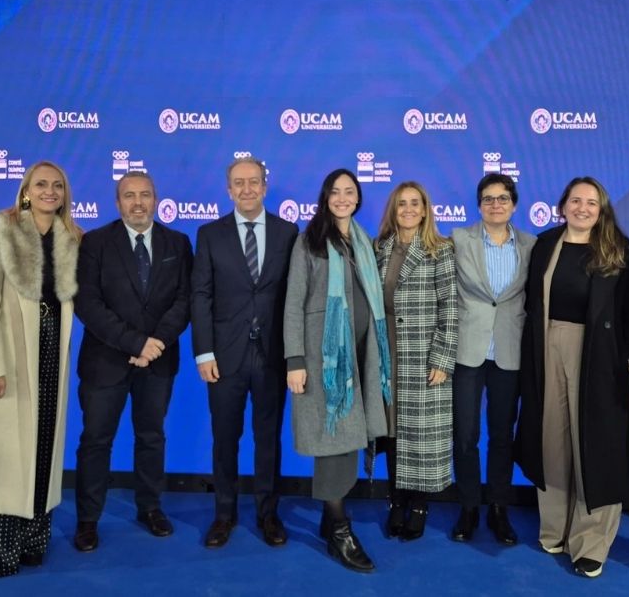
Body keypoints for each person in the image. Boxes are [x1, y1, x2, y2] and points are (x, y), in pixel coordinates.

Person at [0, 160, 81, 577]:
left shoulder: (70, 238)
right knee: (1, 458)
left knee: (42, 451)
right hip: (8, 357)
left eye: (57, 185)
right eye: (41, 184)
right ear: (25, 190)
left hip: (50, 357)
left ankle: (30, 542)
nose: (49, 191)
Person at [514, 177, 629, 579]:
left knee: (596, 443)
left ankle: (591, 542)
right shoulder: (545, 245)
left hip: (600, 354)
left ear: (601, 209)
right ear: (563, 206)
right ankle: (555, 528)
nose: (583, 208)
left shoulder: (620, 250)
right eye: (576, 200)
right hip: (546, 348)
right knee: (551, 442)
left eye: (592, 202)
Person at [72, 171, 193, 552]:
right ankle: (88, 519)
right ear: (117, 202)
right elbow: (87, 303)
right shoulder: (94, 243)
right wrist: (136, 342)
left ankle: (150, 507)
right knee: (96, 441)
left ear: (156, 199)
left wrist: (155, 344)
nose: (138, 202)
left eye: (145, 195)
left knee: (151, 436)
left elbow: (185, 300)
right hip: (105, 361)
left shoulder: (178, 242)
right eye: (129, 195)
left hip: (158, 361)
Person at [283, 169, 391, 572]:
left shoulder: (363, 241)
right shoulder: (308, 241)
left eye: (349, 191)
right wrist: (295, 360)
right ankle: (340, 530)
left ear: (358, 197)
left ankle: (331, 521)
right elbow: (293, 304)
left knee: (348, 439)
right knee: (334, 442)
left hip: (361, 358)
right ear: (325, 198)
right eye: (335, 192)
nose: (342, 198)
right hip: (325, 361)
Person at [191, 156, 298, 548]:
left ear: (265, 187)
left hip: (272, 355)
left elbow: (294, 296)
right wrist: (204, 352)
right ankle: (224, 514)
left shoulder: (289, 232)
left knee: (268, 438)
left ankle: (269, 514)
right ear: (229, 189)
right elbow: (200, 296)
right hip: (224, 356)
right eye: (239, 183)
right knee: (225, 438)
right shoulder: (209, 234)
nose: (247, 189)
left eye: (254, 181)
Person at [450, 173, 535, 544]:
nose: (495, 204)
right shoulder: (458, 240)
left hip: (509, 351)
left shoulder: (532, 245)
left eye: (503, 198)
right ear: (479, 205)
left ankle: (499, 508)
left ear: (514, 205)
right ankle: (469, 507)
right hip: (467, 350)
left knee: (502, 436)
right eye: (488, 198)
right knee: (465, 435)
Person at [374, 181, 458, 541]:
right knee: (393, 432)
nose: (408, 209)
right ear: (393, 210)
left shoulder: (441, 249)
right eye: (401, 204)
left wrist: (442, 358)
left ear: (425, 210)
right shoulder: (379, 248)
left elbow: (450, 307)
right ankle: (396, 501)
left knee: (421, 436)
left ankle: (420, 506)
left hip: (424, 355)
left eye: (415, 203)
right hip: (386, 353)